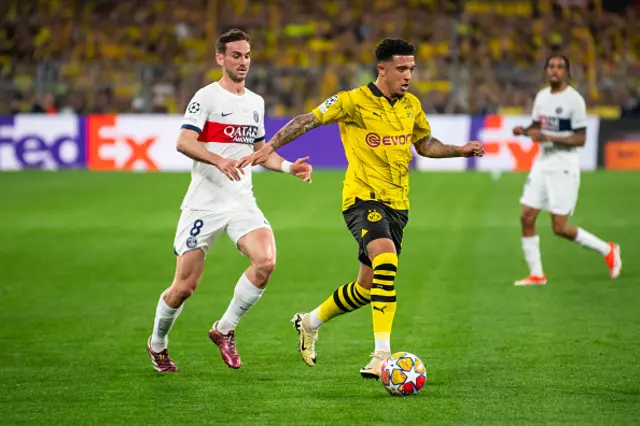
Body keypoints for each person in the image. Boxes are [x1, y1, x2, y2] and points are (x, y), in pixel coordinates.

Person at [238, 38, 484, 379]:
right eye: (401, 68)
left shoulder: (411, 104)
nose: (408, 75)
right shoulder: (352, 101)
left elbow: (424, 144)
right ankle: (382, 355)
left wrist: (460, 150)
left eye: (411, 68)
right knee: (386, 260)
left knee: (368, 287)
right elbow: (307, 120)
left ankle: (309, 322)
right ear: (381, 69)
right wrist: (270, 148)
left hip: (398, 204)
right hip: (363, 198)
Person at [146, 29, 313, 373]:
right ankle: (157, 343)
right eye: (236, 55)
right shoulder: (206, 97)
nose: (243, 62)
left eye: (247, 55)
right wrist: (218, 159)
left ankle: (224, 330)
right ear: (220, 58)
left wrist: (286, 166)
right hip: (204, 205)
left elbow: (258, 153)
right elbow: (183, 141)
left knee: (265, 262)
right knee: (184, 287)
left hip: (241, 200)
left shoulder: (255, 103)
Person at [512, 55, 621, 286]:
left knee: (559, 228)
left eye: (560, 67)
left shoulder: (574, 100)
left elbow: (581, 138)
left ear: (567, 72)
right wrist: (524, 130)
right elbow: (537, 126)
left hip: (563, 166)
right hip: (542, 163)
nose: (555, 70)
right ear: (546, 70)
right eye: (551, 66)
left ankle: (607, 249)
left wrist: (548, 136)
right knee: (526, 216)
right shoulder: (542, 96)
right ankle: (537, 274)